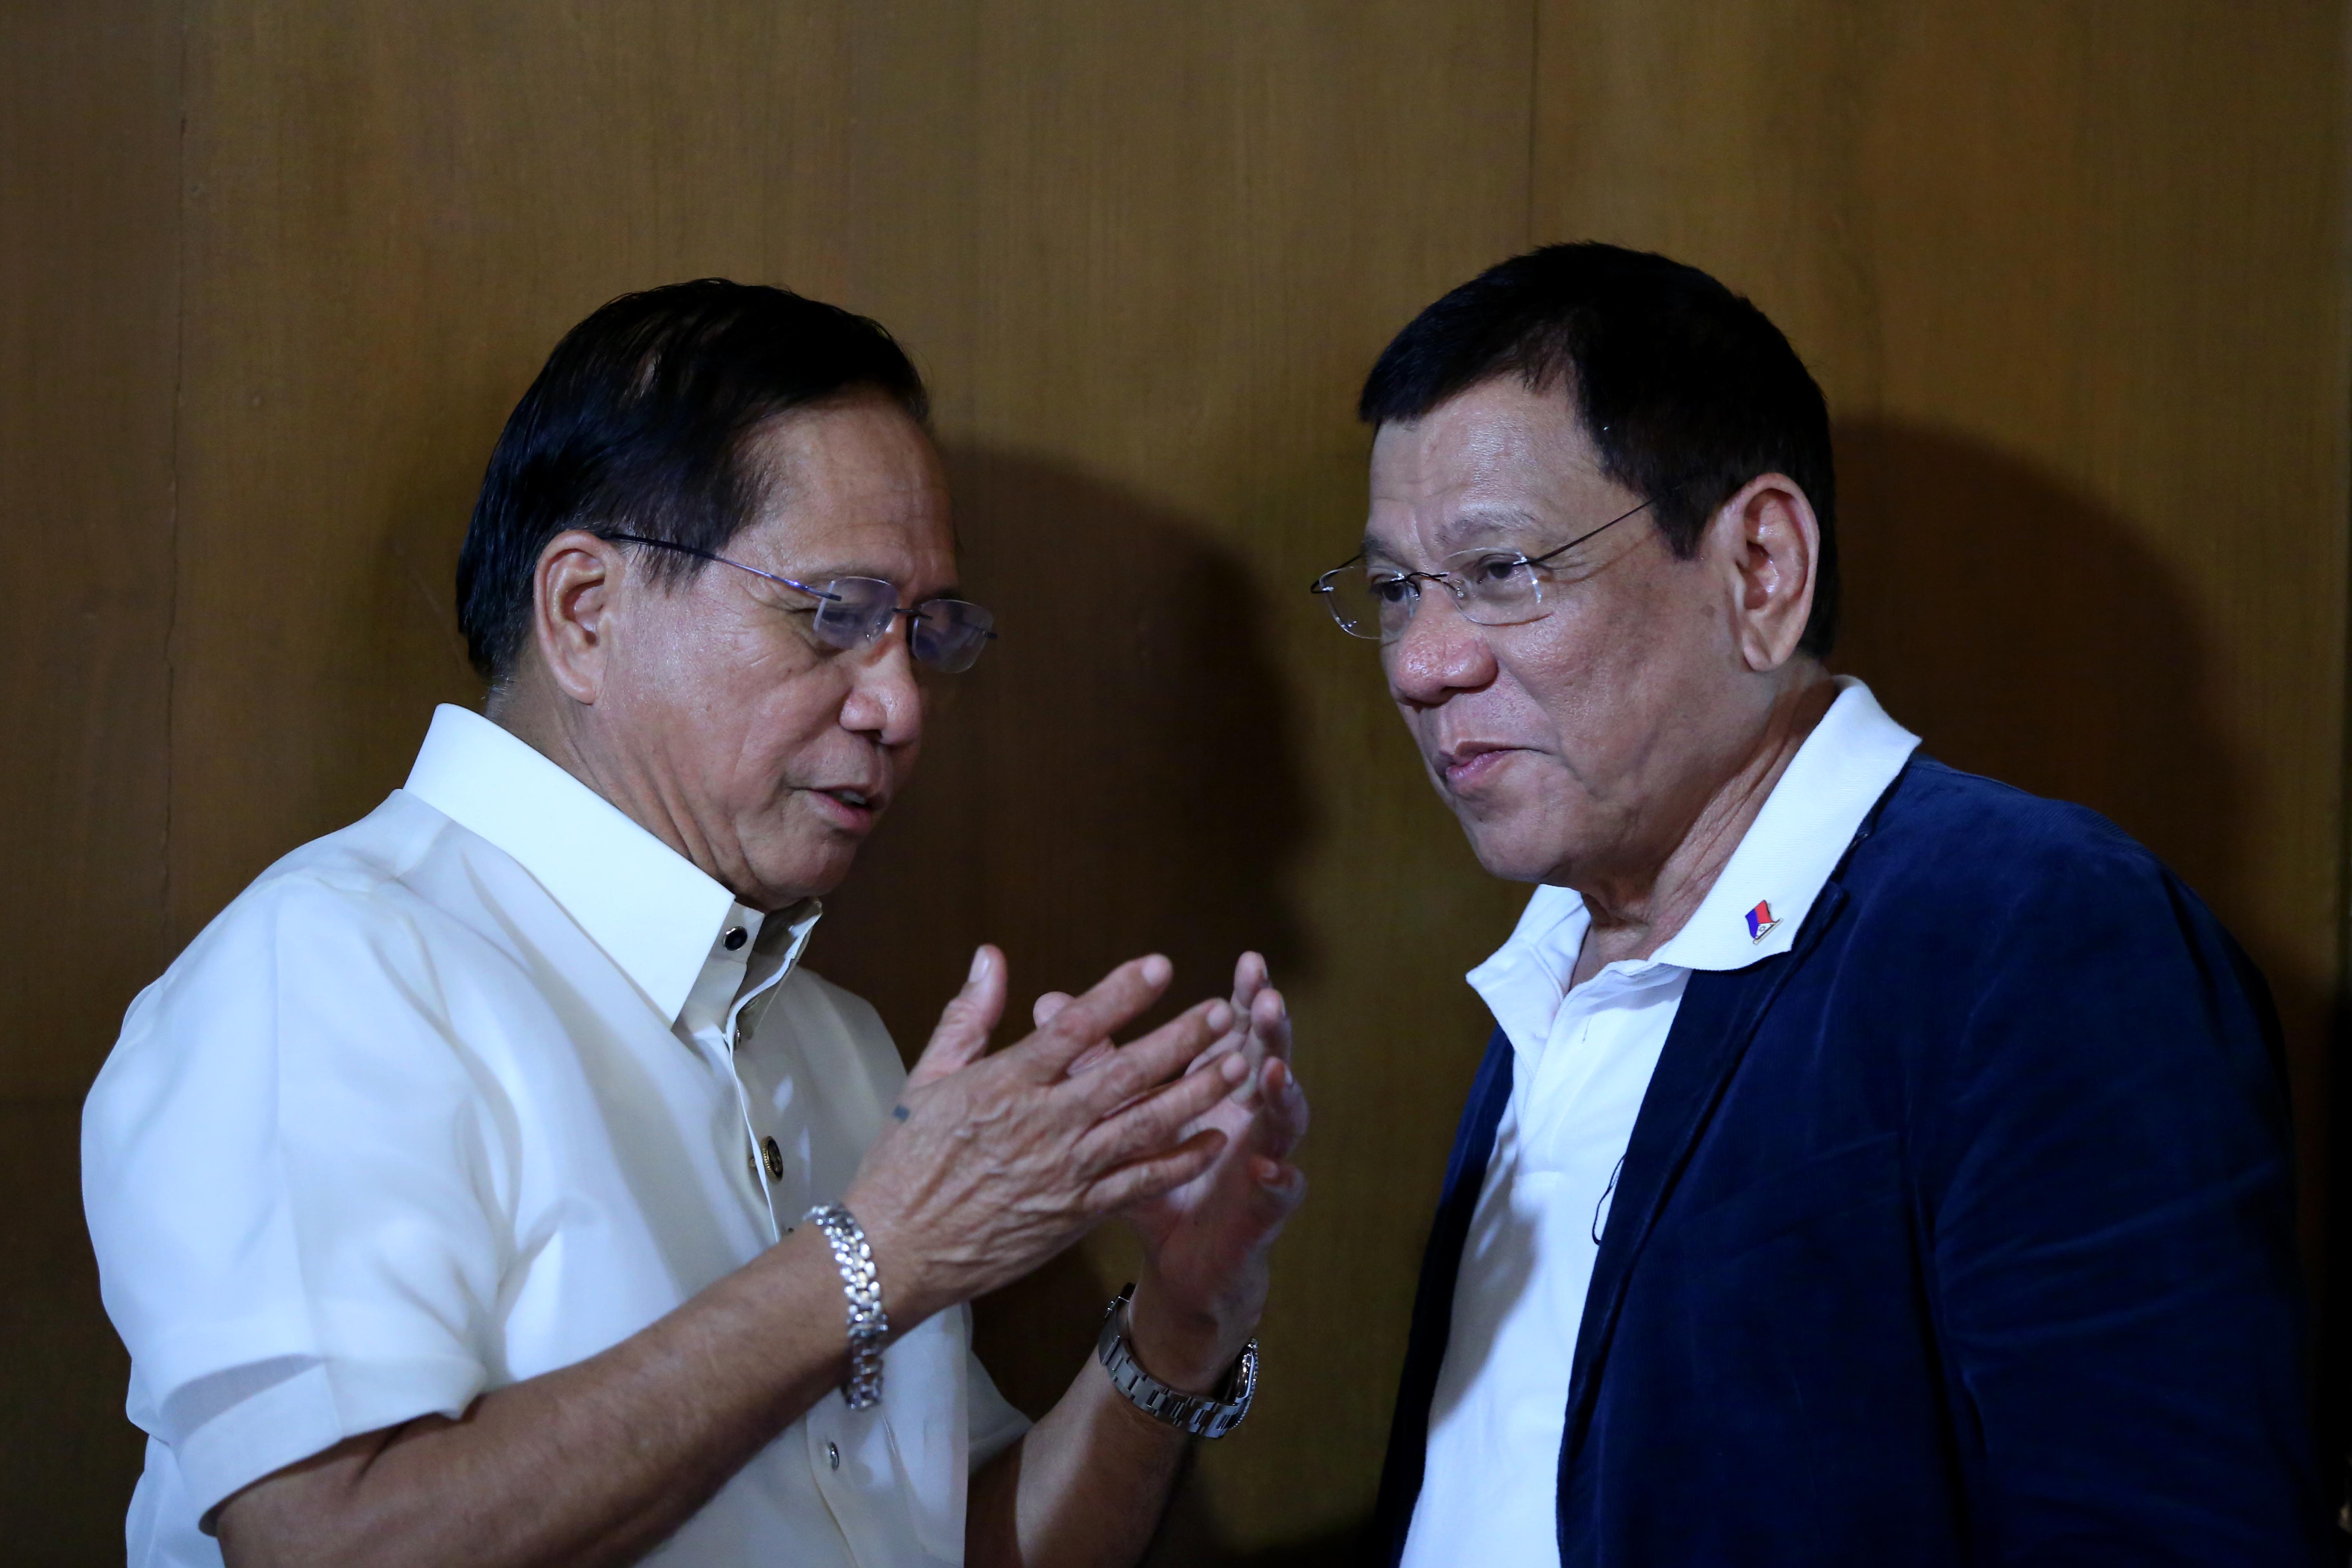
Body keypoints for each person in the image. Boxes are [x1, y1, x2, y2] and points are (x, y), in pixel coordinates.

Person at [82, 280, 1310, 1568]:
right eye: (832, 614)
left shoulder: (836, 1042)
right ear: (585, 613)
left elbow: (958, 1548)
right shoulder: (329, 968)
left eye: (923, 631)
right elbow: (330, 1543)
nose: (900, 704)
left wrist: (1179, 1325)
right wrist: (881, 1254)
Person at [1317, 243, 2325, 1564]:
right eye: (1397, 592)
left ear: (1762, 570)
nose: (1427, 664)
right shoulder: (1556, 954)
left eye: (1502, 571)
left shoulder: (2038, 936)